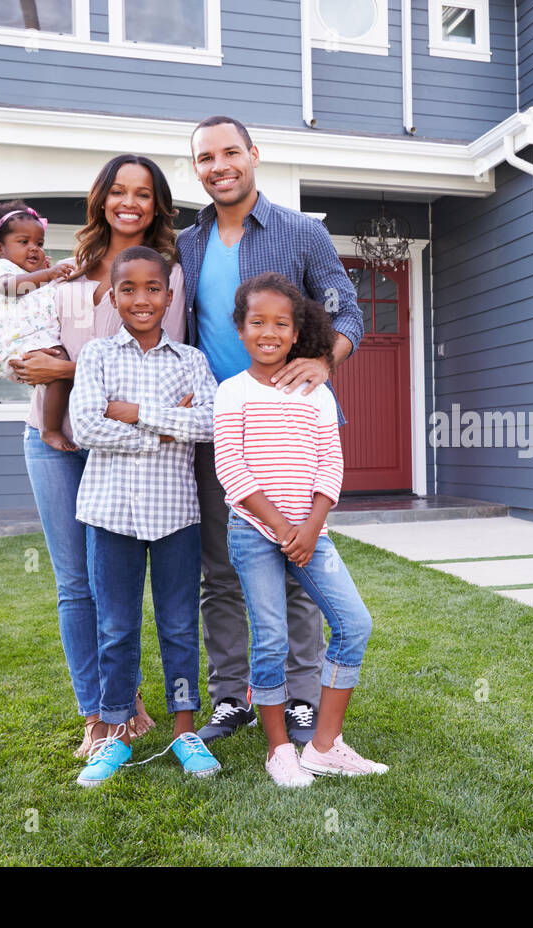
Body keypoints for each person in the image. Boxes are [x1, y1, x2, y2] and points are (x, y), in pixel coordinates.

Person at [178, 115, 364, 745]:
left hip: (292, 426)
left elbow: (347, 309)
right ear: (197, 169)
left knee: (298, 568)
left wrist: (325, 360)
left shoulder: (301, 232)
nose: (219, 166)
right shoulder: (188, 243)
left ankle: (302, 698)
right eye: (206, 158)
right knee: (222, 571)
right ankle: (232, 697)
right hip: (220, 428)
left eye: (230, 152)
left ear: (253, 155)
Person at [11, 155, 184, 757]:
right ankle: (98, 712)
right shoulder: (65, 271)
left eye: (142, 193)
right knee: (74, 584)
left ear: (157, 205)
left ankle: (123, 697)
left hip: (122, 447)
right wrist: (28, 362)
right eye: (118, 191)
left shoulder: (167, 276)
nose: (128, 202)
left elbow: (158, 367)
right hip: (51, 440)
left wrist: (63, 369)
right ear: (101, 199)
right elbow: (31, 345)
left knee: (118, 583)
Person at [215, 273, 385, 787]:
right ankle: (278, 750)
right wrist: (283, 528)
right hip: (254, 531)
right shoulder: (232, 392)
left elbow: (330, 464)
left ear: (296, 333)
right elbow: (231, 469)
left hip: (312, 532)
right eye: (257, 322)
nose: (268, 332)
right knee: (271, 639)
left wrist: (310, 528)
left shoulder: (317, 393)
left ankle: (324, 746)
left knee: (354, 624)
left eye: (280, 324)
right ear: (240, 329)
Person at [70, 246, 221, 787]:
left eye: (153, 288)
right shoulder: (96, 356)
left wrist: (133, 414)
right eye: (128, 289)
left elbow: (209, 423)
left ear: (169, 295)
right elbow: (86, 427)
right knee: (116, 627)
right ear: (113, 297)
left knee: (179, 624)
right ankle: (115, 732)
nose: (141, 299)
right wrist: (164, 429)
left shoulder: (191, 361)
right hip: (110, 513)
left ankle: (185, 730)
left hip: (175, 513)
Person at [0, 200, 76, 452]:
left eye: (39, 244)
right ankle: (50, 430)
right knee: (60, 369)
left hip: (36, 341)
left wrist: (45, 274)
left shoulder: (36, 274)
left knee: (59, 372)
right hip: (15, 344)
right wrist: (46, 275)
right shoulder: (3, 269)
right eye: (23, 242)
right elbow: (10, 287)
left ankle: (52, 424)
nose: (34, 249)